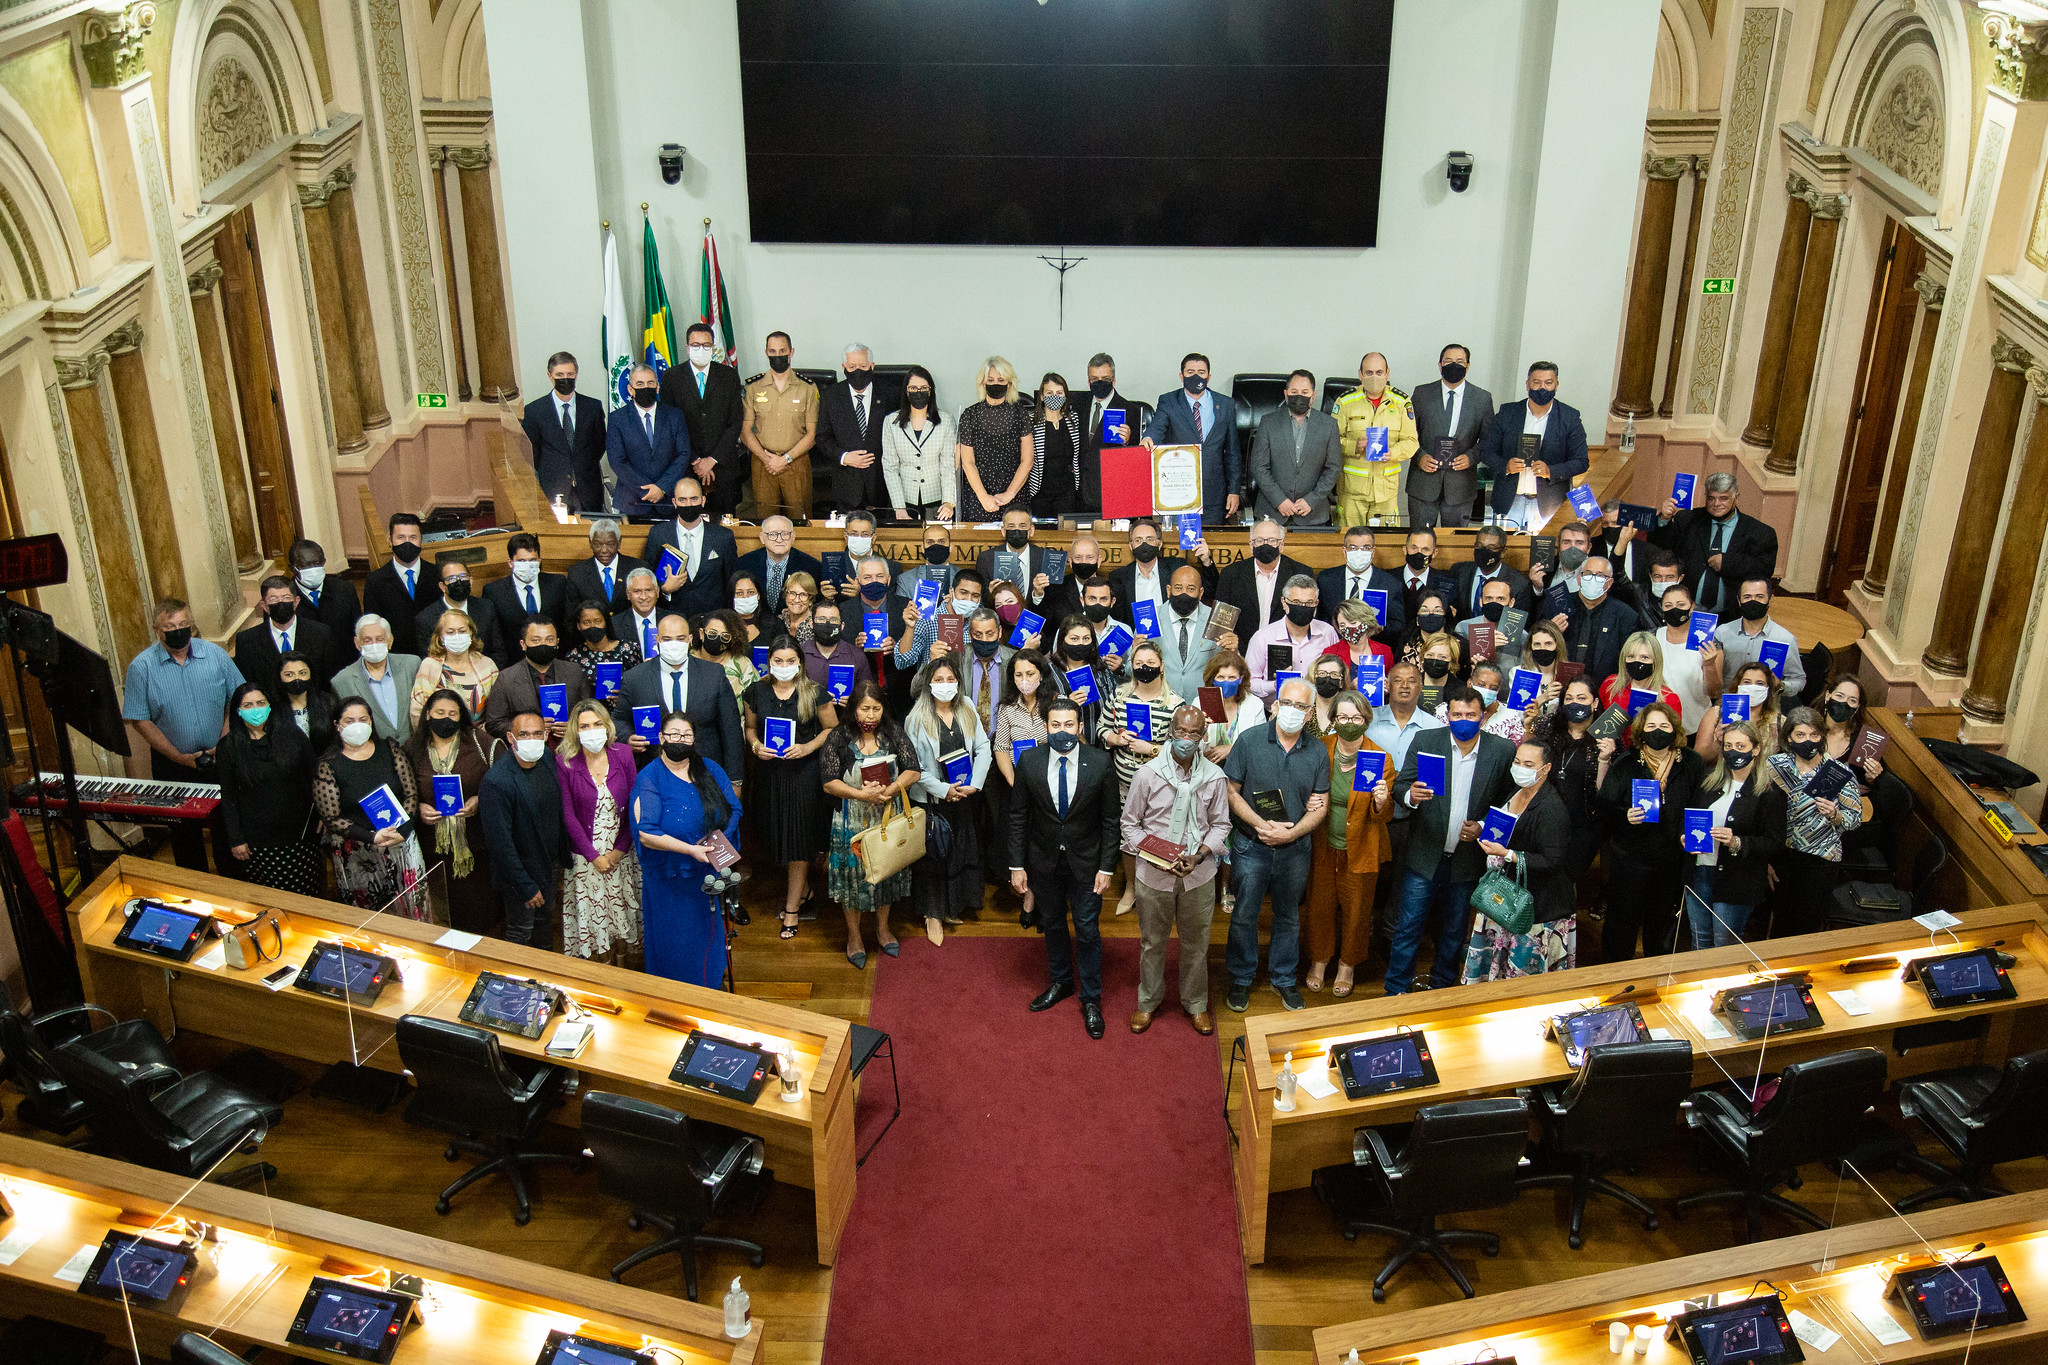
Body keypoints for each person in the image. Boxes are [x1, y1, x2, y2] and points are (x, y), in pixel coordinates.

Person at [1386, 683, 1514, 994]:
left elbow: (1509, 801)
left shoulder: (1502, 750)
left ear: (1482, 717)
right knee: (1408, 927)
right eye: (1457, 713)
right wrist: (1410, 795)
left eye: (1471, 714)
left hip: (1468, 859)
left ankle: (1443, 988)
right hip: (1425, 852)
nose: (1464, 719)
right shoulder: (1427, 740)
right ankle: (1395, 990)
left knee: (1454, 930)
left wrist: (1484, 826)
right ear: (1447, 715)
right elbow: (1400, 786)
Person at [1009, 696, 1120, 1039]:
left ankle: (1091, 998)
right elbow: (1018, 817)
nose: (1062, 732)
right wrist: (1016, 865)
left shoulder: (1100, 763)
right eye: (1055, 725)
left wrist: (1107, 867)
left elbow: (1111, 821)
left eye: (1068, 725)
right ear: (1046, 727)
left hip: (1087, 863)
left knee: (1087, 930)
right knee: (1053, 924)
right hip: (1043, 861)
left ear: (1080, 727)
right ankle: (1061, 982)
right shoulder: (1028, 761)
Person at [1122, 703, 1230, 1034]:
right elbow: (1129, 825)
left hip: (1198, 874)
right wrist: (1157, 853)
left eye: (1193, 733)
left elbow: (1221, 825)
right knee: (1152, 942)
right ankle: (1148, 1001)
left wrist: (1199, 855)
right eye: (1180, 732)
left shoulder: (1214, 777)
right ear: (1170, 732)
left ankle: (1196, 1003)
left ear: (1203, 737)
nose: (1186, 738)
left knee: (1196, 943)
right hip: (1154, 874)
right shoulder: (1147, 774)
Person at [1221, 677, 1328, 1011]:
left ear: (1310, 712)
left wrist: (1291, 834)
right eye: (1289, 704)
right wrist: (1260, 824)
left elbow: (1321, 802)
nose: (1293, 711)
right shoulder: (1249, 741)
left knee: (1288, 917)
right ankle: (1240, 979)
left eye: (1302, 706)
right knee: (1244, 914)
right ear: (1276, 704)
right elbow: (1230, 790)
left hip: (1295, 849)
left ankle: (1283, 979)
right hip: (1251, 845)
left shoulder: (1318, 750)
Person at [122, 598, 243, 869]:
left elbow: (237, 701)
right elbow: (141, 720)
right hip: (172, 764)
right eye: (170, 626)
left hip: (220, 758)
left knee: (228, 830)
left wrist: (222, 744)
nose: (178, 631)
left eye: (183, 624)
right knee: (185, 839)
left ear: (192, 624)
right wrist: (179, 757)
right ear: (157, 630)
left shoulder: (215, 655)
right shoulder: (141, 668)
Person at [632, 713, 742, 988]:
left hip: (706, 873)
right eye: (673, 734)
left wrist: (714, 846)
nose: (680, 740)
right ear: (661, 738)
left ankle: (709, 992)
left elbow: (734, 809)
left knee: (707, 941)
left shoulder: (710, 769)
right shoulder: (649, 778)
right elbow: (647, 833)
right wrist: (690, 850)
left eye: (686, 735)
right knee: (674, 945)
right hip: (669, 880)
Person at [822, 680, 922, 967]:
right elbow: (828, 782)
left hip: (888, 814)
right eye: (864, 709)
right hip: (850, 816)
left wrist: (888, 791)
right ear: (854, 709)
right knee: (852, 877)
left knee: (886, 871)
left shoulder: (893, 733)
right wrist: (860, 794)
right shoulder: (838, 737)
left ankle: (882, 928)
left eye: (876, 708)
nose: (870, 715)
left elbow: (913, 770)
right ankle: (854, 936)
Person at [1461, 737, 1575, 981]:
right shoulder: (1517, 791)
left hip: (1535, 910)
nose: (1520, 768)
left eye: (1529, 764)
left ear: (1546, 770)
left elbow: (1552, 861)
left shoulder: (1552, 808)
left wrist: (1507, 855)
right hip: (1503, 900)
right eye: (1517, 761)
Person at [1596, 701, 1703, 962]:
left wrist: (1687, 833)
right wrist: (1625, 815)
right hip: (1630, 859)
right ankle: (1614, 976)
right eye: (1651, 725)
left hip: (1672, 860)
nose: (1658, 730)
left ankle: (1657, 978)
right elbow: (1604, 806)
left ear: (1675, 729)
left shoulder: (1691, 762)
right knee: (1622, 923)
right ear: (1641, 730)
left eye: (1664, 725)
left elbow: (1700, 803)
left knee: (1663, 924)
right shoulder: (1626, 762)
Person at [745, 637, 836, 938]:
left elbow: (831, 729)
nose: (784, 667)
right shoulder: (755, 691)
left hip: (803, 777)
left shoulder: (815, 692)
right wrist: (756, 746)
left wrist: (808, 747)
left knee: (798, 843)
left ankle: (792, 910)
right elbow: (749, 728)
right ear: (769, 662)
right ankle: (805, 891)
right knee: (779, 839)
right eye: (778, 661)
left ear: (800, 662)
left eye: (790, 661)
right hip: (770, 777)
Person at [1306, 689, 1391, 997]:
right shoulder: (1320, 749)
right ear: (1334, 720)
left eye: (1356, 717)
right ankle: (1319, 960)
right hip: (1323, 845)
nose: (1349, 723)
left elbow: (1384, 815)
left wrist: (1381, 802)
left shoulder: (1381, 758)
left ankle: (1347, 965)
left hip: (1362, 849)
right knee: (1320, 907)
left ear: (1366, 720)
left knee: (1357, 911)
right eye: (1343, 717)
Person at [315, 697, 427, 915]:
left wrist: (404, 831)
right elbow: (330, 817)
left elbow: (411, 793)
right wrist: (372, 837)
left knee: (414, 911)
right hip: (359, 851)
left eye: (363, 719)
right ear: (337, 724)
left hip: (401, 842)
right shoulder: (328, 764)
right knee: (370, 918)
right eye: (349, 720)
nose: (357, 725)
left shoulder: (390, 749)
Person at [906, 658, 989, 940]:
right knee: (934, 855)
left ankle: (952, 907)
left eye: (950, 679)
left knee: (958, 850)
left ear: (958, 681)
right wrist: (943, 790)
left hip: (964, 796)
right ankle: (932, 915)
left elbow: (983, 747)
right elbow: (914, 767)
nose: (945, 685)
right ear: (929, 684)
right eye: (938, 680)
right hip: (932, 800)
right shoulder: (916, 717)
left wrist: (975, 784)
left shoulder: (966, 706)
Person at [1765, 707, 1863, 939]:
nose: (1807, 741)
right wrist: (1767, 860)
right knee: (1781, 921)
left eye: (1813, 735)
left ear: (1822, 736)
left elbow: (1855, 820)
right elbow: (1762, 815)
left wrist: (1835, 815)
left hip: (1821, 859)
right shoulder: (1774, 766)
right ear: (1789, 737)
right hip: (1784, 856)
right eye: (1800, 735)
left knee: (1806, 926)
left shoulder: (1839, 772)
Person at [555, 701, 642, 963]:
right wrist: (594, 856)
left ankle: (623, 963)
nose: (591, 730)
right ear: (575, 730)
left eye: (597, 724)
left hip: (621, 853)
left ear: (607, 726)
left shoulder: (624, 754)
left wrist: (618, 851)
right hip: (586, 857)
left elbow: (635, 806)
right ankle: (603, 968)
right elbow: (567, 815)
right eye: (584, 726)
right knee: (595, 917)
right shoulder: (565, 763)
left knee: (623, 913)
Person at [1101, 638, 1182, 914]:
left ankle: (1159, 891)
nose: (1144, 668)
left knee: (1159, 834)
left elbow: (1183, 750)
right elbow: (1102, 728)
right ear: (1131, 666)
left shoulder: (1175, 703)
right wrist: (1116, 737)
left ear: (1161, 667)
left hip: (1160, 784)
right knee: (1128, 836)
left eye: (1150, 664)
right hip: (1124, 781)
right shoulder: (1120, 695)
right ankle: (1131, 889)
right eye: (1138, 664)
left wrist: (1154, 749)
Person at [408, 689, 498, 937]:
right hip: (433, 852)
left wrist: (481, 799)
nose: (445, 718)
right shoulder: (412, 749)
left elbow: (503, 782)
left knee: (480, 913)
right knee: (444, 915)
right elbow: (402, 791)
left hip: (477, 847)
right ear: (427, 715)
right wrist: (417, 808)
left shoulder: (481, 743)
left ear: (462, 717)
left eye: (452, 713)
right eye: (439, 713)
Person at [1686, 722, 1784, 949]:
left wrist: (1737, 842)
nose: (1733, 751)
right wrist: (1685, 837)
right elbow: (1689, 818)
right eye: (1728, 745)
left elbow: (1774, 843)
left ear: (1756, 749)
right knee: (1699, 941)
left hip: (1737, 881)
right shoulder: (1707, 781)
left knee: (1724, 945)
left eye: (1741, 745)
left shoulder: (1768, 792)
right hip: (1699, 872)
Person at [612, 614, 746, 779]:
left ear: (690, 639)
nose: (674, 644)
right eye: (667, 639)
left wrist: (735, 779)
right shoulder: (636, 678)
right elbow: (618, 720)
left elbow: (731, 731)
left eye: (680, 638)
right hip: (655, 773)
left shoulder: (714, 675)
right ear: (657, 640)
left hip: (706, 771)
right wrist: (629, 738)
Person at [215, 682, 319, 894]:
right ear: (238, 711)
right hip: (259, 840)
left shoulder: (292, 735)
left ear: (270, 706)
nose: (256, 709)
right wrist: (236, 839)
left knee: (309, 893)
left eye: (261, 703)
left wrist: (321, 815)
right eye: (249, 705)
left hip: (300, 833)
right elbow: (229, 795)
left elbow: (316, 776)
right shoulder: (228, 746)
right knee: (270, 896)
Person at [477, 711, 566, 947]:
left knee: (545, 923)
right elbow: (500, 844)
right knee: (521, 931)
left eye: (537, 734)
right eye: (523, 734)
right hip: (521, 875)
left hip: (549, 865)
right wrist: (525, 886)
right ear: (510, 737)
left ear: (546, 735)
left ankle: (544, 976)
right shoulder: (497, 781)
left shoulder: (546, 757)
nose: (531, 740)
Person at [1653, 472, 1780, 621]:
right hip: (1685, 612)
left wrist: (1728, 563)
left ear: (1736, 498)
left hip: (1732, 615)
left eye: (1723, 498)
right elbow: (1659, 545)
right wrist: (1663, 520)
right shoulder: (1688, 519)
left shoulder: (1760, 532)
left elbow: (1765, 568)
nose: (1716, 504)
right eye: (1711, 498)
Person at [1479, 361, 1590, 529]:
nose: (1542, 388)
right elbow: (1485, 451)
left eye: (1548, 383)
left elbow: (1581, 461)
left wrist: (1551, 471)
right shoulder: (1508, 412)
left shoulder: (1570, 417)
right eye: (1536, 383)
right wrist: (1505, 465)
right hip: (1509, 501)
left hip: (1548, 504)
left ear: (1556, 385)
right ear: (1527, 384)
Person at [992, 647, 1056, 927]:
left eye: (1030, 673)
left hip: (1052, 787)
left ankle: (1047, 898)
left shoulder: (1056, 703)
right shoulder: (1006, 708)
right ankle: (1029, 897)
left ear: (1041, 675)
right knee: (1024, 843)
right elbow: (1002, 747)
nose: (1024, 679)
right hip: (1018, 786)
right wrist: (1016, 783)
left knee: (1048, 846)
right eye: (1018, 674)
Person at [658, 322, 746, 520]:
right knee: (687, 522)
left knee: (725, 524)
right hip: (686, 465)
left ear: (713, 348)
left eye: (706, 345)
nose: (701, 349)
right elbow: (670, 424)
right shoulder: (672, 377)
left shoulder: (729, 376)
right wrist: (696, 460)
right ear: (687, 348)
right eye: (695, 345)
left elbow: (735, 422)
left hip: (723, 467)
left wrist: (712, 460)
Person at [1142, 353, 1242, 524]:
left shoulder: (1226, 404)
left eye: (1201, 372)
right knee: (1177, 546)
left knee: (1210, 546)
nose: (1196, 376)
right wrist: (1149, 437)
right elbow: (1158, 426)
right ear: (1181, 376)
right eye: (1190, 372)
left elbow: (1233, 452)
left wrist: (1234, 491)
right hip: (1177, 492)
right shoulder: (1168, 401)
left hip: (1214, 493)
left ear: (1209, 376)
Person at [1407, 343, 1492, 528]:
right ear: (1439, 365)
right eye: (1448, 361)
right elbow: (1407, 433)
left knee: (1454, 544)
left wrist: (1471, 458)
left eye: (1460, 362)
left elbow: (1488, 440)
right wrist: (1419, 456)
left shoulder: (1482, 398)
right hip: (1423, 482)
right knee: (1418, 539)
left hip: (1461, 485)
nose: (1454, 365)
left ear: (1468, 366)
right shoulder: (1421, 394)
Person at [1330, 352, 1417, 525]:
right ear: (1360, 375)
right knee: (1349, 543)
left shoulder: (1401, 401)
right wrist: (1353, 445)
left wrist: (1393, 452)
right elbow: (1330, 441)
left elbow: (1411, 442)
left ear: (1387, 373)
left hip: (1386, 492)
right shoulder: (1345, 401)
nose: (1374, 377)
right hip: (1352, 491)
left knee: (1386, 544)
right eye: (1369, 373)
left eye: (1379, 372)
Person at [1250, 368, 1342, 527]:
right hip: (1272, 513)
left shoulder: (1329, 425)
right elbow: (1258, 466)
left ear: (1313, 396)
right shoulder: (1268, 422)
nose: (1299, 396)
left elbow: (1333, 468)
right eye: (1294, 391)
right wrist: (1279, 500)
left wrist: (1311, 500)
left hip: (1313, 514)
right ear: (1286, 394)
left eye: (1305, 392)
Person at [521, 350, 608, 510]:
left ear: (576, 374)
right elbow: (532, 452)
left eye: (570, 374)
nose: (565, 379)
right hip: (554, 490)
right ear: (549, 375)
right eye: (559, 375)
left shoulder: (593, 407)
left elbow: (599, 445)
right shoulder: (534, 411)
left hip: (588, 490)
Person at [642, 478, 738, 620]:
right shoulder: (658, 534)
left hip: (713, 621)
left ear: (703, 500)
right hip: (671, 620)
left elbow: (731, 582)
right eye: (683, 500)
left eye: (694, 499)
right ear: (674, 502)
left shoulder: (723, 537)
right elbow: (648, 577)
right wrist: (665, 590)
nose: (689, 504)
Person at [815, 342, 893, 513]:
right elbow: (822, 437)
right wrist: (844, 457)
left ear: (872, 366)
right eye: (852, 366)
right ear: (844, 367)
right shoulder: (830, 396)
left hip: (882, 484)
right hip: (846, 485)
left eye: (863, 366)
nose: (858, 370)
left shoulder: (888, 394)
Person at [484, 614, 587, 743]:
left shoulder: (574, 671)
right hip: (527, 752)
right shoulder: (506, 678)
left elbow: (589, 710)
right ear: (523, 644)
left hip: (570, 748)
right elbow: (494, 724)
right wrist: (529, 727)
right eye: (536, 640)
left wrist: (574, 727)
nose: (543, 645)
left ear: (557, 642)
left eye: (549, 640)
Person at [957, 356, 1036, 522]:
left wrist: (1009, 494)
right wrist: (983, 497)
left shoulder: (1021, 414)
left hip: (1014, 495)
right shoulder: (969, 415)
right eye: (990, 380)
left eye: (1001, 380)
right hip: (978, 496)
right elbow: (967, 462)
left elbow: (1027, 460)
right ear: (983, 383)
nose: (995, 384)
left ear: (1009, 383)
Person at [607, 364, 691, 519]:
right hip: (632, 503)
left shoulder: (674, 416)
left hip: (668, 501)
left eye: (650, 383)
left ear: (657, 387)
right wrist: (647, 490)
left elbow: (683, 454)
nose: (645, 387)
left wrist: (662, 487)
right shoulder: (617, 419)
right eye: (640, 384)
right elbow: (617, 460)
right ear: (631, 389)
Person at [236, 575, 336, 705]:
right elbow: (248, 687)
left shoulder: (321, 633)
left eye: (286, 598)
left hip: (313, 708)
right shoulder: (247, 641)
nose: (280, 602)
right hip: (271, 714)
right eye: (273, 599)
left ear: (296, 602)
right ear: (264, 606)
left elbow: (328, 680)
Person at [1546, 676, 1607, 888]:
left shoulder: (1607, 740)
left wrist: (1605, 759)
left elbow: (1605, 793)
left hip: (1583, 826)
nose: (1575, 703)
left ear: (1595, 703)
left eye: (1582, 698)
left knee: (1565, 882)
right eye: (1569, 698)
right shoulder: (1549, 729)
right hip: (1547, 820)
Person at [1713, 577, 1806, 703]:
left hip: (1766, 707)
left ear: (1770, 599)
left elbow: (1799, 679)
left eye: (1759, 596)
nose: (1753, 601)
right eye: (1747, 597)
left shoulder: (1785, 639)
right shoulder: (1722, 633)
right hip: (1729, 704)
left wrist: (1781, 686)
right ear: (1739, 601)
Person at [1107, 517, 1216, 622]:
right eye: (1138, 540)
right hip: (1137, 638)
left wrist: (1206, 561)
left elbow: (1209, 591)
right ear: (1131, 546)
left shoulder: (1177, 567)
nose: (1144, 544)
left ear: (1159, 544)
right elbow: (1118, 619)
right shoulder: (1119, 577)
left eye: (1150, 539)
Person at [882, 365, 956, 519]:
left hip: (936, 499)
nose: (918, 392)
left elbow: (948, 465)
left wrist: (949, 501)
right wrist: (899, 507)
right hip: (904, 499)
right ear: (906, 391)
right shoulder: (891, 422)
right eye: (913, 388)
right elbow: (890, 467)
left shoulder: (946, 421)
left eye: (923, 388)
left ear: (930, 391)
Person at [333, 614, 419, 746]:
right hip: (375, 753)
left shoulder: (412, 665)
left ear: (390, 641)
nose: (374, 645)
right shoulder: (342, 681)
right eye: (367, 640)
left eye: (379, 639)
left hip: (414, 748)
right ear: (357, 643)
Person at [1650, 580, 1722, 735]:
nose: (1674, 609)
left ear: (1692, 607)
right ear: (1661, 608)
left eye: (1681, 605)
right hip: (1659, 725)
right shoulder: (1652, 638)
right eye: (1668, 606)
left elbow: (1714, 692)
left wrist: (1709, 665)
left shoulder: (1710, 643)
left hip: (1698, 725)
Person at [1214, 519, 1310, 634]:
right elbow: (1220, 623)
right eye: (1259, 540)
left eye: (1272, 540)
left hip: (1285, 646)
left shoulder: (1300, 573)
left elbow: (1306, 618)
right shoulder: (1231, 573)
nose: (1266, 545)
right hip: (1242, 648)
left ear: (1281, 545)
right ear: (1251, 545)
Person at [483, 534, 569, 656]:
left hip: (553, 659)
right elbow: (494, 636)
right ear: (510, 562)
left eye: (532, 560)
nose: (528, 566)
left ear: (539, 561)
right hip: (514, 663)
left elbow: (565, 624)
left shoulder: (557, 583)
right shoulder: (494, 591)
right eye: (522, 561)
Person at [1563, 556, 1640, 692]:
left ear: (1609, 583)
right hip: (1564, 689)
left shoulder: (1625, 615)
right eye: (1587, 574)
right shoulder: (1561, 606)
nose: (1592, 579)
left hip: (1606, 691)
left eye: (1599, 575)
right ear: (1579, 578)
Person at [410, 609, 499, 726]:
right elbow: (417, 711)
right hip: (437, 739)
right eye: (450, 632)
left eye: (462, 631)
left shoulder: (487, 665)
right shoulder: (429, 666)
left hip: (480, 739)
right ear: (441, 637)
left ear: (471, 633)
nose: (457, 636)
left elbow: (498, 708)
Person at [1076, 352, 1139, 511]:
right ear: (1088, 380)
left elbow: (1136, 460)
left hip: (1110, 492)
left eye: (1105, 379)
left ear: (1114, 380)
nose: (1099, 383)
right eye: (1094, 379)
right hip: (1080, 493)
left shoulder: (1130, 411)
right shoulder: (1078, 405)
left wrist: (1127, 442)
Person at [1316, 527, 1407, 636]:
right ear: (1344, 551)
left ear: (1373, 552)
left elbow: (1398, 625)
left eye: (1365, 548)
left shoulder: (1390, 583)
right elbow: (1319, 619)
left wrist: (1381, 627)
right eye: (1353, 548)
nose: (1359, 553)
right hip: (1335, 646)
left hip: (1372, 647)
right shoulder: (1326, 579)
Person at [414, 560, 505, 668]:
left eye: (463, 576)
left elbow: (499, 651)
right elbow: (429, 659)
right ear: (442, 586)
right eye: (451, 578)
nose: (459, 582)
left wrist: (484, 673)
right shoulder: (425, 618)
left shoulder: (486, 607)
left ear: (471, 581)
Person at [733, 514, 825, 618]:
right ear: (762, 538)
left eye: (785, 534)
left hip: (792, 626)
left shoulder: (811, 566)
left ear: (793, 537)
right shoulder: (744, 563)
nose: (779, 539)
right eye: (772, 534)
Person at [364, 511, 429, 657]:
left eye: (413, 537)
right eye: (401, 537)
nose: (407, 542)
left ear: (421, 540)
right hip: (397, 657)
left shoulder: (436, 575)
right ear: (389, 539)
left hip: (434, 655)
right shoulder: (376, 581)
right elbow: (373, 624)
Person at [289, 538, 363, 662]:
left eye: (317, 563)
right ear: (293, 568)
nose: (312, 569)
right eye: (305, 565)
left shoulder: (344, 590)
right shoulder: (285, 597)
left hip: (343, 665)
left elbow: (357, 629)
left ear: (324, 562)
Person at [1158, 564, 1219, 700]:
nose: (1184, 593)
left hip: (1203, 704)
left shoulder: (1214, 619)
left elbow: (1226, 664)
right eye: (1178, 588)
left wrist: (1233, 650)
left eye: (1191, 589)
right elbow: (1130, 669)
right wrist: (1135, 649)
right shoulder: (1151, 618)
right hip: (1162, 703)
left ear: (1201, 593)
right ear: (1168, 590)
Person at [1029, 372, 1085, 517]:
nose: (1055, 396)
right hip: (1039, 490)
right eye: (1050, 392)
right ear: (1042, 396)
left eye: (1059, 393)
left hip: (1066, 491)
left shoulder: (1074, 419)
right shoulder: (1031, 422)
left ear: (1065, 396)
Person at [1598, 632, 1683, 725]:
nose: (1637, 662)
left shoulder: (1669, 699)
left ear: (1656, 661)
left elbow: (1676, 736)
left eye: (1644, 657)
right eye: (1631, 656)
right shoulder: (1610, 685)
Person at [1451, 525, 1533, 619]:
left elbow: (1518, 622)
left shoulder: (1519, 583)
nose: (1484, 552)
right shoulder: (1459, 571)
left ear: (1502, 552)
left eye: (1491, 548)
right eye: (1480, 546)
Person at [568, 519, 645, 618]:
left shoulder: (638, 568)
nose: (604, 550)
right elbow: (571, 618)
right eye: (598, 544)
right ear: (590, 543)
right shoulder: (577, 573)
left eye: (610, 544)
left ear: (619, 542)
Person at [800, 598, 873, 697]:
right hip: (807, 711)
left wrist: (853, 701)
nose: (827, 624)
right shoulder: (799, 654)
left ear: (842, 626)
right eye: (821, 619)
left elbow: (868, 694)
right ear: (811, 624)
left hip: (845, 711)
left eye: (833, 620)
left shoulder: (856, 656)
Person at [566, 600, 642, 693]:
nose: (592, 626)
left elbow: (639, 685)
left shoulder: (628, 650)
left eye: (598, 621)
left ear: (606, 622)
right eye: (586, 622)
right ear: (579, 625)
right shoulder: (574, 657)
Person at [276, 650, 338, 753]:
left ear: (310, 674)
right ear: (279, 677)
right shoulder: (273, 710)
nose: (297, 679)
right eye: (289, 675)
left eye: (302, 673)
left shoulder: (328, 702)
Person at [1396, 527, 1458, 626]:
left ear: (1434, 553)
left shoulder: (1445, 583)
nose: (1419, 554)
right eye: (1414, 548)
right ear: (1405, 549)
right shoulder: (1388, 579)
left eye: (1425, 549)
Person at [698, 609, 760, 700]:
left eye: (725, 636)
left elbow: (752, 704)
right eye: (712, 633)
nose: (717, 639)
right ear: (701, 634)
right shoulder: (688, 660)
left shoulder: (742, 665)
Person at [614, 568, 664, 661]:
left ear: (657, 592)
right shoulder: (615, 625)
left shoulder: (673, 620)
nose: (643, 597)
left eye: (648, 590)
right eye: (637, 591)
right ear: (628, 594)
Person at [1306, 652, 1352, 741]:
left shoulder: (1348, 711)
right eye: (1322, 673)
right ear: (1314, 677)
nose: (1327, 678)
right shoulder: (1303, 708)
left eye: (1334, 674)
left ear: (1341, 682)